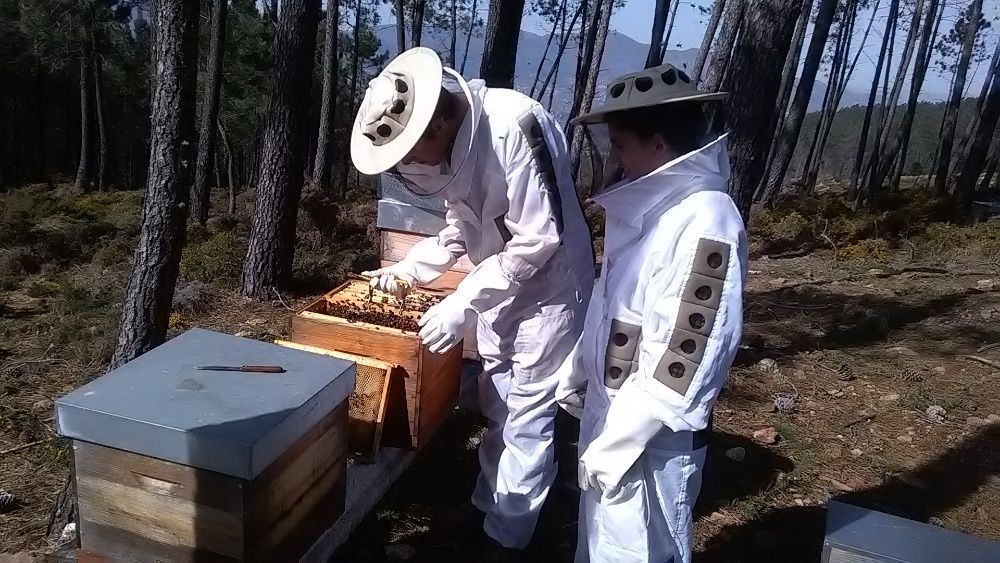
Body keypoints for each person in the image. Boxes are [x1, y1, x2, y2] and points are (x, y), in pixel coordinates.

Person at [350, 47, 595, 555]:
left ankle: (506, 541)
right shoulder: (456, 146)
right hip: (501, 294)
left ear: (435, 126)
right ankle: (489, 509)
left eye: (411, 152)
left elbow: (538, 241)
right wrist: (406, 271)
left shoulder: (515, 126)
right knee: (497, 406)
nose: (412, 165)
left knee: (527, 419)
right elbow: (461, 229)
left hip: (549, 296)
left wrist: (464, 299)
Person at [558, 63, 748, 562]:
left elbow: (691, 348)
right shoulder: (649, 210)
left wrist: (624, 436)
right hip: (612, 412)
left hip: (654, 435)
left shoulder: (707, 218)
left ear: (659, 144)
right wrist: (580, 363)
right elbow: (612, 303)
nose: (612, 155)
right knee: (601, 542)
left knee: (643, 548)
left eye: (620, 144)